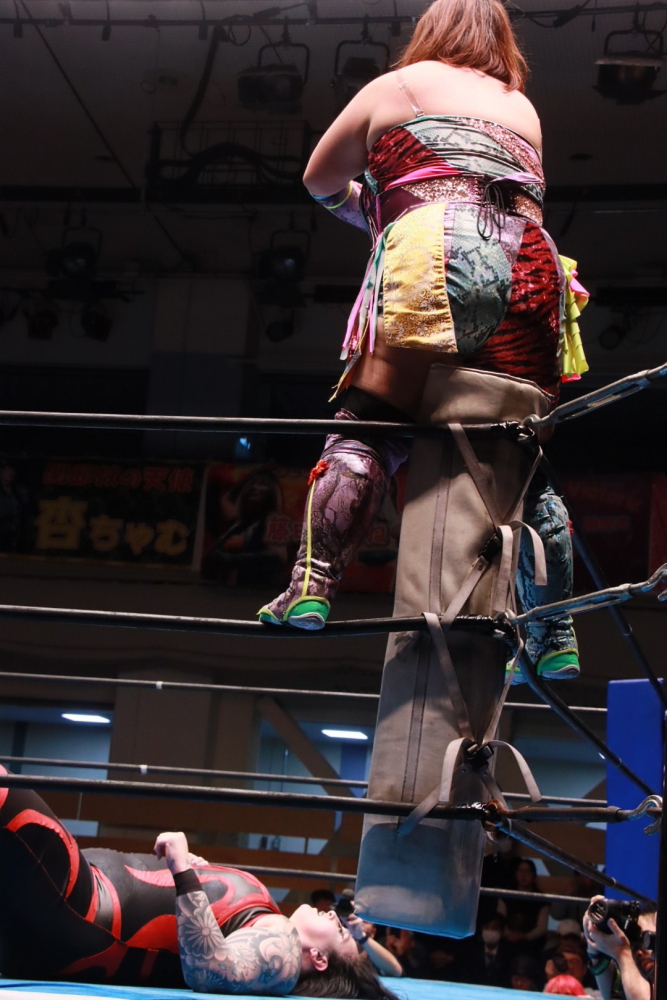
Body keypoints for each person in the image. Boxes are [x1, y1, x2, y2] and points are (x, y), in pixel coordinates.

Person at [257, 0, 587, 686]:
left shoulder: (396, 86)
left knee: (368, 430)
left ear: (429, 32)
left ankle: (312, 585)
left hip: (434, 254)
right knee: (521, 456)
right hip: (532, 268)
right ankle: (553, 633)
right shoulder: (521, 108)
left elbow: (319, 179)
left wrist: (372, 211)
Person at [0, 770, 397, 998]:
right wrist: (196, 877)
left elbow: (211, 972)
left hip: (81, 908)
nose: (335, 917)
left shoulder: (285, 951)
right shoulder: (270, 919)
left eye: (340, 933)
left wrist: (182, 869)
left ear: (320, 959)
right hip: (73, 901)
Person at [583, 896, 656, 1000]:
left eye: (645, 940)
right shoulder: (638, 979)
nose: (639, 953)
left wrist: (622, 953)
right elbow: (612, 997)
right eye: (633, 946)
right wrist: (596, 951)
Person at [498, 858, 549, 955]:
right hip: (507, 940)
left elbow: (542, 927)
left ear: (534, 875)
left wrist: (525, 937)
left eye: (528, 871)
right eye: (520, 871)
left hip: (532, 943)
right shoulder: (506, 895)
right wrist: (509, 934)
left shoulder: (541, 899)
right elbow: (500, 920)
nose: (523, 875)